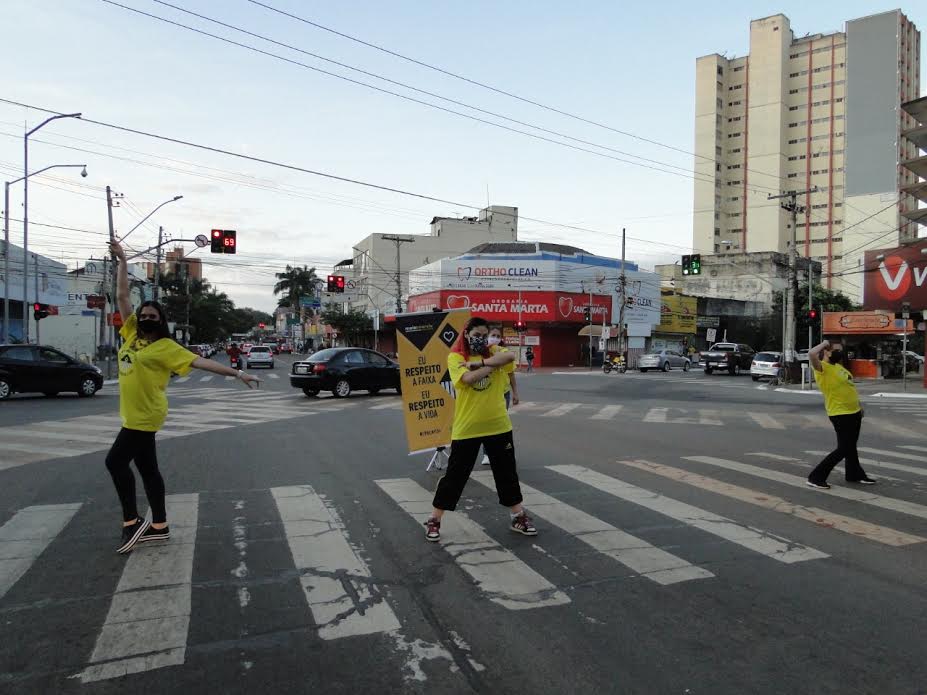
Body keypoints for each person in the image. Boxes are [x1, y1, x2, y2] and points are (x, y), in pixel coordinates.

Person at [107, 241, 261, 554]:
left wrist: (238, 373)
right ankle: (160, 526)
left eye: (152, 316)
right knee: (148, 469)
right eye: (144, 314)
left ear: (161, 321)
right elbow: (123, 296)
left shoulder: (167, 348)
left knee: (114, 462)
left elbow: (202, 362)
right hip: (132, 412)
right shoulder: (132, 332)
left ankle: (131, 522)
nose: (147, 318)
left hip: (146, 414)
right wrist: (123, 260)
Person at [424, 316, 536, 541]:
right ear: (467, 334)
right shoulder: (456, 356)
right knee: (455, 476)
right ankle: (434, 519)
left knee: (507, 474)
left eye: (484, 336)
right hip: (467, 428)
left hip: (498, 425)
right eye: (476, 336)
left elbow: (511, 356)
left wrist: (484, 362)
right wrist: (489, 367)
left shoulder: (494, 350)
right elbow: (466, 379)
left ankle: (518, 516)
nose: (481, 340)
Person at [806, 339, 876, 489]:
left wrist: (859, 406)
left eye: (840, 350)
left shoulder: (839, 367)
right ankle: (816, 477)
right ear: (826, 351)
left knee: (850, 446)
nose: (839, 352)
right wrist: (825, 343)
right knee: (844, 448)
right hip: (839, 413)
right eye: (835, 350)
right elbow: (811, 353)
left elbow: (849, 388)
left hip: (854, 412)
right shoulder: (822, 368)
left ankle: (854, 474)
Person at [482, 326, 519, 465]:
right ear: (487, 336)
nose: (496, 338)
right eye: (493, 335)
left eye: (498, 336)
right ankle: (486, 454)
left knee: (500, 424)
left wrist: (515, 392)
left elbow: (511, 374)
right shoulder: (482, 352)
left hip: (503, 393)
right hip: (486, 392)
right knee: (486, 424)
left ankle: (500, 453)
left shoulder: (504, 352)